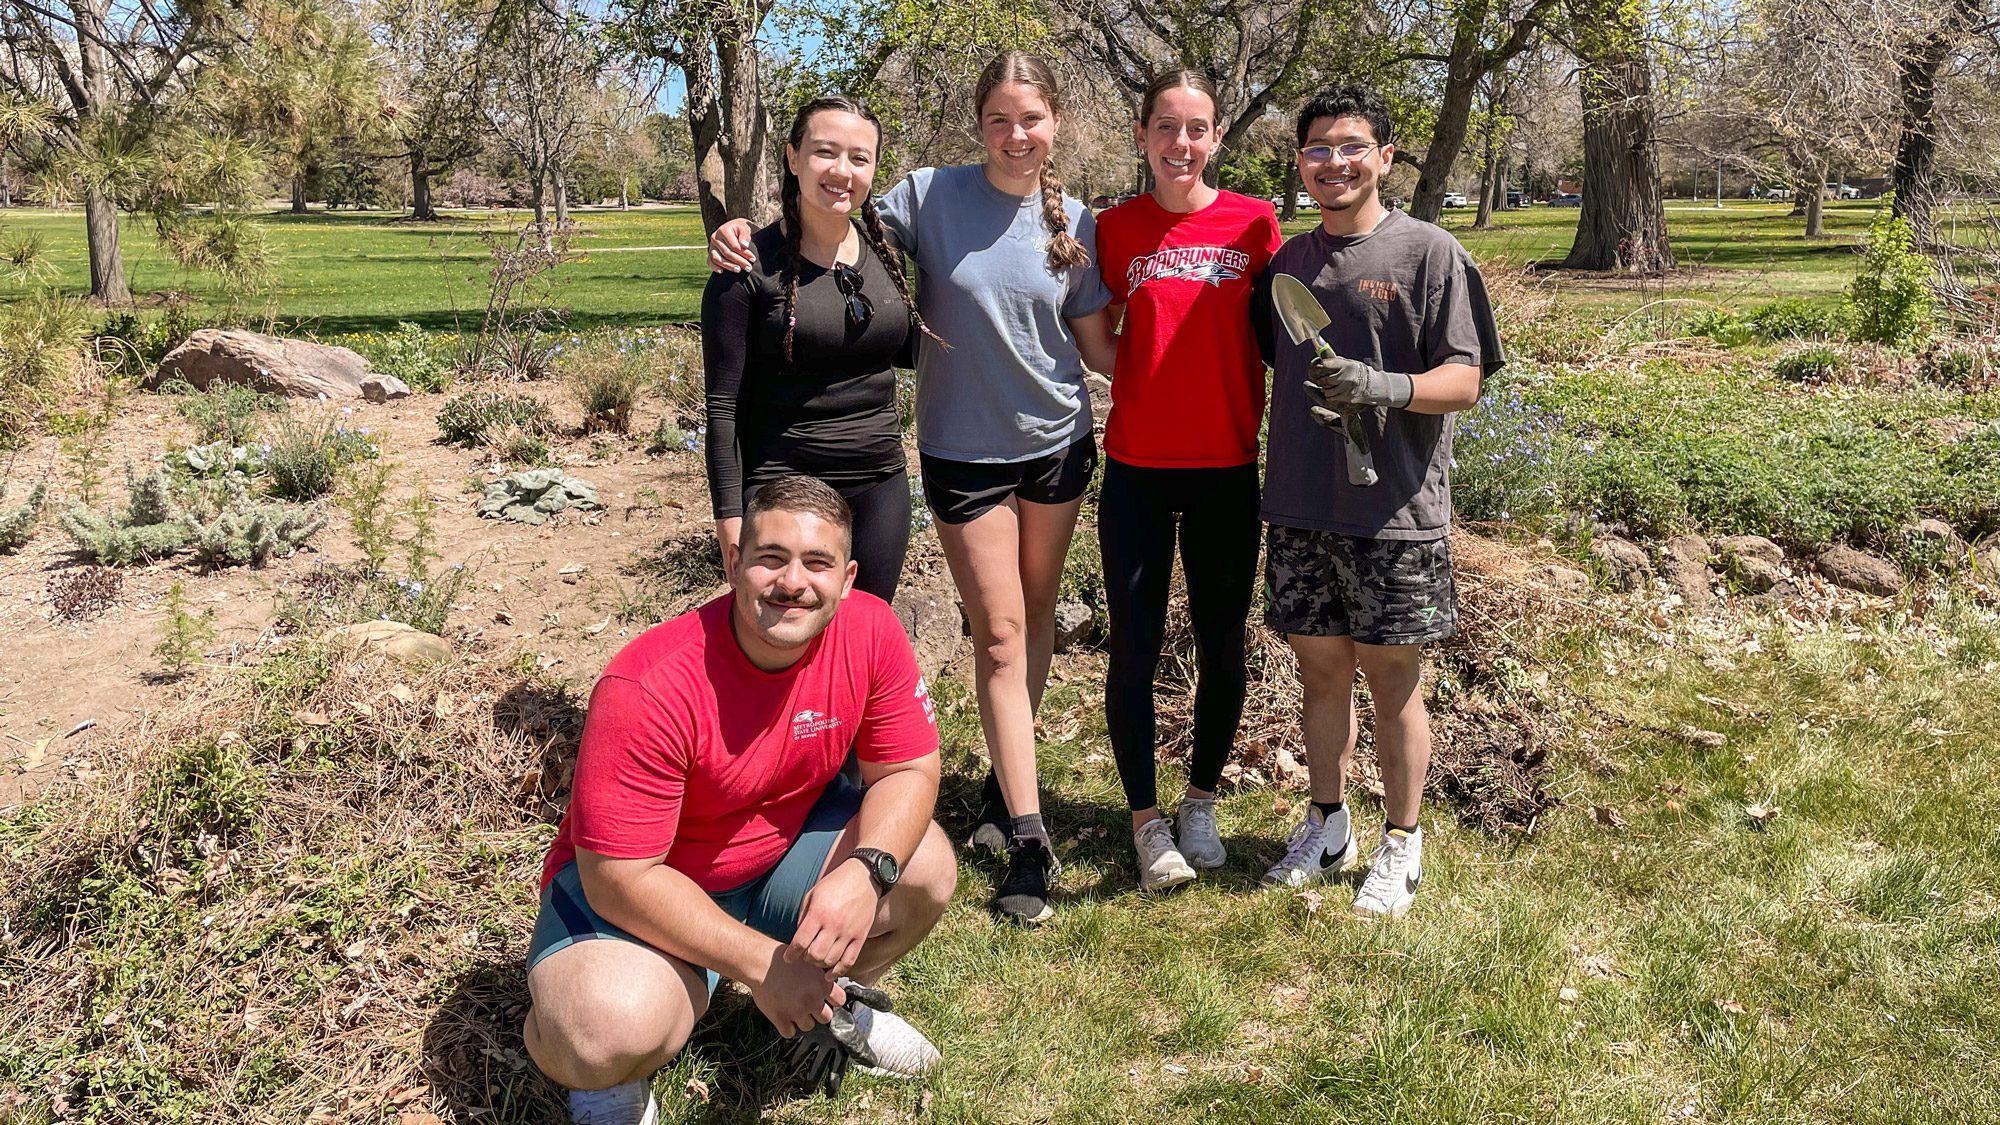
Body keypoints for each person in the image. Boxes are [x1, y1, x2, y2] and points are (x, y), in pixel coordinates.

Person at [709, 53, 1118, 926]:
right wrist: (743, 234)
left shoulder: (1074, 220)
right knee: (1001, 633)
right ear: (979, 124)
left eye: (1033, 120)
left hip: (1059, 444)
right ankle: (1031, 837)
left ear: (1056, 127)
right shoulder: (927, 196)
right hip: (962, 453)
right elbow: (831, 219)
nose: (1017, 136)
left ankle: (1004, 797)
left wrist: (1195, 336)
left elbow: (1100, 349)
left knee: (1035, 619)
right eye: (1001, 119)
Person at [521, 475, 958, 1123]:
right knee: (600, 1028)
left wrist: (866, 874)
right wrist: (762, 963)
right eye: (771, 557)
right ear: (732, 561)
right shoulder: (649, 682)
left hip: (776, 864)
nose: (793, 581)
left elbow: (909, 770)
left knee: (922, 863)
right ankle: (613, 1079)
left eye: (817, 562)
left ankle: (826, 1002)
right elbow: (617, 879)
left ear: (848, 574)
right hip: (647, 891)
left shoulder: (870, 629)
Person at [1256, 86, 1504, 919]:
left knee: (1393, 680)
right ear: (1301, 163)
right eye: (1318, 148)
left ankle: (1403, 840)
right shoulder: (1287, 267)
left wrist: (1387, 386)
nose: (1334, 162)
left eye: (1351, 146)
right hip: (1299, 501)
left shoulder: (1431, 256)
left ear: (1385, 158)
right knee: (1319, 669)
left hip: (1394, 509)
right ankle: (1327, 822)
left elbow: (1464, 380)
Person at [1090, 70, 1281, 891]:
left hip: (1227, 469)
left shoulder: (1256, 224)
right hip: (1135, 467)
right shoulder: (1114, 229)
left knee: (1221, 641)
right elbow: (1098, 336)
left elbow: (1286, 330)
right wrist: (1133, 374)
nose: (1182, 144)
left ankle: (1200, 798)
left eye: (1197, 129)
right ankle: (1145, 820)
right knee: (1131, 649)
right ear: (1142, 136)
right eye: (1166, 127)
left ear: (1217, 140)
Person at [700, 95, 940, 603]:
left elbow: (900, 349)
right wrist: (729, 516)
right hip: (781, 487)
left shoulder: (887, 252)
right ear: (792, 157)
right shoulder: (746, 269)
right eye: (825, 152)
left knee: (862, 631)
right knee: (789, 636)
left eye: (860, 157)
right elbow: (722, 408)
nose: (841, 171)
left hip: (880, 484)